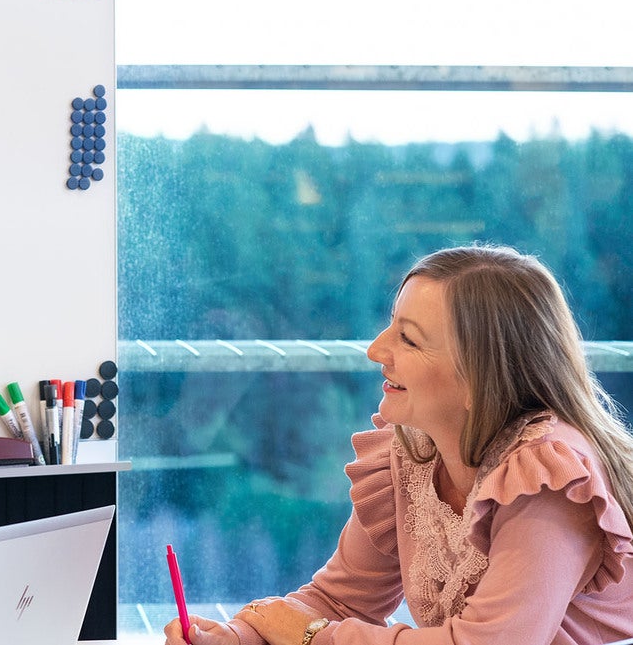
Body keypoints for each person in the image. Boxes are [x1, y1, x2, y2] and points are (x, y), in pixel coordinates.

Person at [166, 245, 633, 645]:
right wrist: (236, 635)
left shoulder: (549, 478)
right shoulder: (412, 450)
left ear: (480, 375)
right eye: (392, 326)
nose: (376, 349)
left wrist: (311, 636)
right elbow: (341, 599)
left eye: (408, 339)